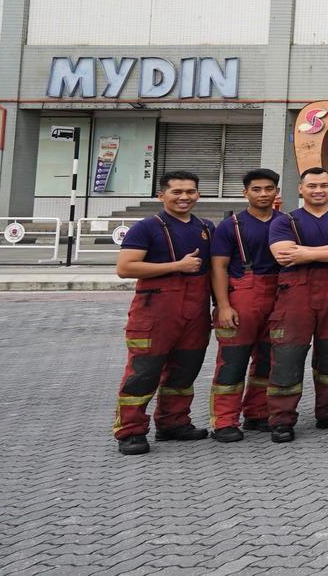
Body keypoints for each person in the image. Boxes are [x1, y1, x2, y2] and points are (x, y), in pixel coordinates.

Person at [111, 170, 216, 455]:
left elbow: (215, 270)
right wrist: (176, 266)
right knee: (143, 373)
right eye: (177, 192)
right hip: (155, 311)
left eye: (190, 192)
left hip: (195, 311)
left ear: (198, 194)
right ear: (162, 196)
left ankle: (173, 423)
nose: (184, 197)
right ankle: (130, 431)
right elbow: (125, 268)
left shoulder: (205, 228)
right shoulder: (146, 227)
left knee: (185, 370)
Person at [265, 167, 328, 442]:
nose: (318, 190)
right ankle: (281, 420)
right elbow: (284, 255)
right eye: (312, 186)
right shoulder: (284, 221)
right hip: (295, 295)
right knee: (287, 356)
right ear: (301, 189)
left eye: (323, 185)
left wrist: (305, 253)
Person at [208, 167, 283, 443]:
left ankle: (257, 413)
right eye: (256, 189)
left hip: (278, 297)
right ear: (245, 193)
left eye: (268, 189)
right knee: (233, 361)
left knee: (267, 359)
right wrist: (223, 306)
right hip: (242, 296)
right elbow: (218, 267)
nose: (263, 194)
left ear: (277, 191)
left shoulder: (285, 222)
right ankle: (224, 421)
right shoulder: (231, 226)